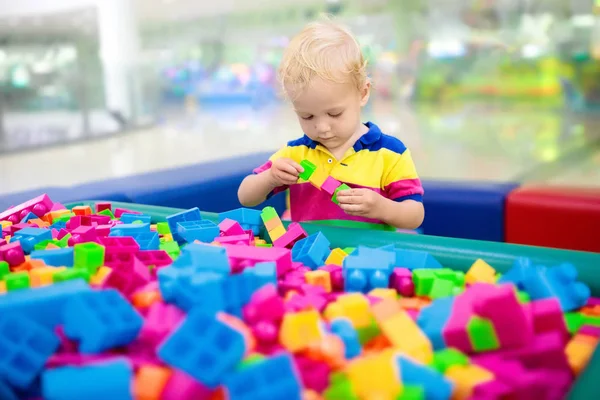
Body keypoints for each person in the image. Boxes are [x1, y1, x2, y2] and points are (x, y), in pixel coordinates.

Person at [237, 18, 424, 230]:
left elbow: (415, 215)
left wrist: (382, 208)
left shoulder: (389, 154)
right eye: (307, 117)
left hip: (370, 258)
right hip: (310, 259)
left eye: (334, 114)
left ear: (363, 93)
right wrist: (270, 177)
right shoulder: (296, 153)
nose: (322, 128)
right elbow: (245, 196)